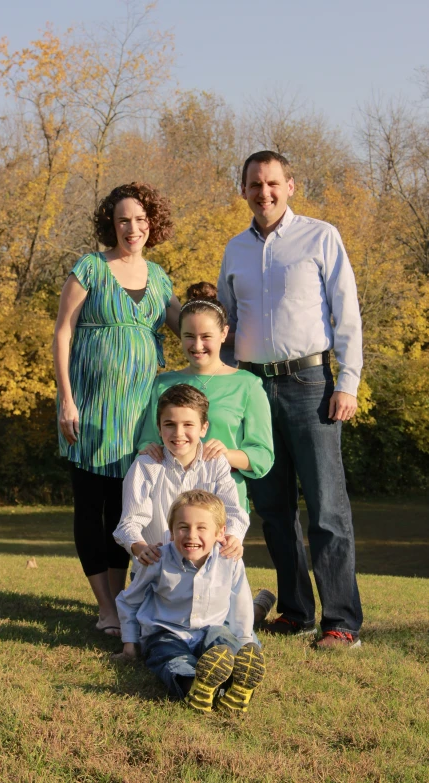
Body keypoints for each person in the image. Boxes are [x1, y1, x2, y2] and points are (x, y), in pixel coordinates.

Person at [217, 150, 363, 648]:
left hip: (311, 385)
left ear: (290, 185)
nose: (265, 192)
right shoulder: (234, 250)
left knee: (326, 509)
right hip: (253, 389)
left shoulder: (321, 237)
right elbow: (226, 329)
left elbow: (347, 314)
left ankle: (341, 620)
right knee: (273, 509)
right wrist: (227, 390)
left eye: (273, 183)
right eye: (255, 184)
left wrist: (348, 382)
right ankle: (296, 610)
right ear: (243, 191)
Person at [53, 182, 180, 637]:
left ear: (153, 225)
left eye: (142, 220)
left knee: (127, 511)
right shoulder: (90, 268)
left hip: (138, 419)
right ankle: (106, 607)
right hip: (89, 409)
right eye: (124, 219)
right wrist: (67, 399)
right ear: (111, 222)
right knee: (91, 508)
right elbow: (63, 332)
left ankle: (124, 599)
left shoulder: (160, 278)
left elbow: (190, 325)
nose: (133, 228)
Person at [115, 490, 266, 713]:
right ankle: (194, 687)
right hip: (167, 632)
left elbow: (241, 607)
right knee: (171, 657)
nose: (191, 535)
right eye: (183, 527)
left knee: (225, 643)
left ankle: (239, 686)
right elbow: (130, 601)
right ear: (172, 532)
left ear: (220, 532)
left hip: (212, 628)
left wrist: (244, 643)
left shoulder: (229, 560)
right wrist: (130, 644)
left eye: (201, 528)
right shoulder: (158, 559)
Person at [137, 282, 274, 515]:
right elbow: (147, 441)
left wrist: (226, 454)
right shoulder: (163, 383)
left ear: (223, 334)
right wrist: (148, 449)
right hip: (171, 501)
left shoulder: (247, 384)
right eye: (189, 336)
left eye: (206, 336)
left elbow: (262, 456)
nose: (197, 345)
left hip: (224, 502)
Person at [113, 383, 250, 571]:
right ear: (159, 429)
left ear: (203, 428)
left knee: (232, 578)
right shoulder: (145, 465)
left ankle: (255, 602)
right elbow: (130, 523)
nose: (178, 433)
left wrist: (233, 538)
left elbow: (233, 512)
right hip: (158, 569)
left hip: (207, 570)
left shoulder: (216, 463)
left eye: (188, 425)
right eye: (169, 425)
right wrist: (141, 548)